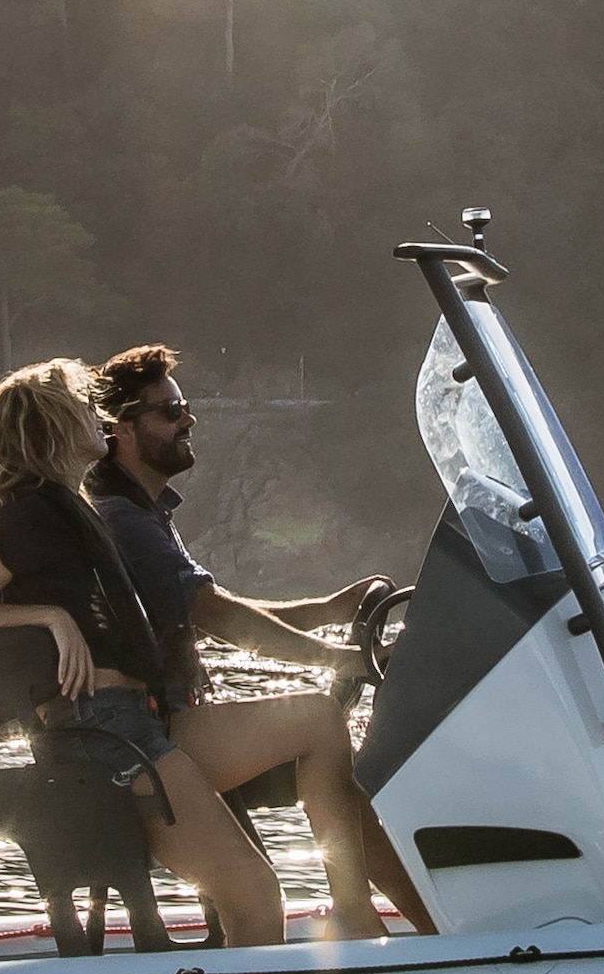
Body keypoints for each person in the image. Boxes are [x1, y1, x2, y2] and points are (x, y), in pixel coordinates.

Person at [0, 359, 290, 947]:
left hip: (120, 723)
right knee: (254, 894)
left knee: (263, 865)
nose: (100, 417)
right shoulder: (38, 512)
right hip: (109, 735)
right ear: (54, 425)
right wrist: (51, 618)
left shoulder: (62, 508)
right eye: (84, 407)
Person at [91, 344, 440, 941]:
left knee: (344, 789)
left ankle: (442, 932)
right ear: (122, 428)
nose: (188, 420)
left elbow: (215, 606)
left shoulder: (145, 513)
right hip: (152, 734)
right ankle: (354, 917)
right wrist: (338, 658)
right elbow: (214, 614)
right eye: (170, 410)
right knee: (316, 717)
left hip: (171, 723)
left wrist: (327, 610)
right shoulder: (122, 517)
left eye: (186, 406)